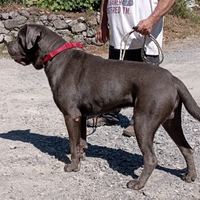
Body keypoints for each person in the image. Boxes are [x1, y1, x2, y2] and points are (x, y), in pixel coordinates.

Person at [87, 0, 175, 136]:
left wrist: (151, 20)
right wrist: (103, 23)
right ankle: (109, 114)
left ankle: (140, 122)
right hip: (119, 36)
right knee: (112, 82)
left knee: (145, 86)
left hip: (144, 39)